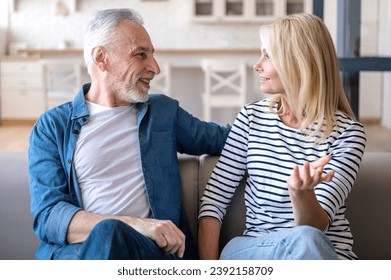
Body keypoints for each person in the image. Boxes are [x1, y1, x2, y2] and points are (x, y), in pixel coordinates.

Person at [28, 8, 230, 260]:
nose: (155, 67)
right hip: (79, 255)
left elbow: (226, 138)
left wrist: (280, 111)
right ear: (101, 58)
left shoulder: (163, 113)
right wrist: (136, 224)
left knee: (112, 233)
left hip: (151, 255)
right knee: (109, 233)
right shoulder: (52, 127)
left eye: (152, 55)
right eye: (140, 55)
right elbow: (48, 216)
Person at [198, 13, 366, 260]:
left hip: (323, 254)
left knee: (307, 240)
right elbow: (213, 202)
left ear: (298, 64)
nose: (258, 65)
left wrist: (300, 193)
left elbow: (315, 228)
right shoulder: (251, 117)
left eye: (268, 56)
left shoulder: (348, 134)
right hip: (255, 249)